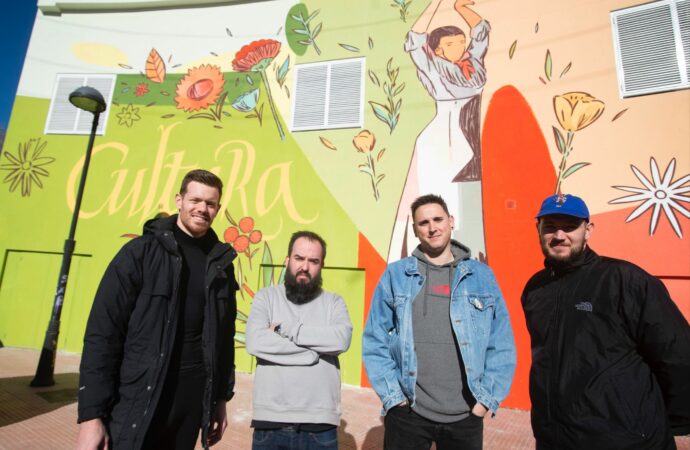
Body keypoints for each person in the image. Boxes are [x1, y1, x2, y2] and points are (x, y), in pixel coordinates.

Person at [76, 169, 239, 450]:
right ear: (179, 200)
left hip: (190, 404)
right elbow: (103, 335)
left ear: (218, 209)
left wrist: (221, 400)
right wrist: (91, 416)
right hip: (140, 396)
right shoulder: (139, 253)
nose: (202, 208)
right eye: (195, 200)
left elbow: (224, 340)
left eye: (210, 203)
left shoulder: (221, 264)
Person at [522, 193, 690, 449]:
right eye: (550, 226)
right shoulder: (535, 289)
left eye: (569, 227)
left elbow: (676, 353)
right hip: (555, 439)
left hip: (625, 440)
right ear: (538, 229)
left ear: (588, 230)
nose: (559, 235)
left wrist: (675, 423)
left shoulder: (625, 280)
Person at [364, 194, 516, 449]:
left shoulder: (481, 276)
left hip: (466, 414)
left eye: (438, 219)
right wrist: (394, 398)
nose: (432, 227)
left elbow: (500, 341)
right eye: (423, 223)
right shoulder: (396, 275)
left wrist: (485, 401)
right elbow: (374, 338)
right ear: (415, 230)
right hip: (409, 413)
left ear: (451, 221)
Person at [390, 0, 490, 262]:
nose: (459, 46)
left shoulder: (473, 66)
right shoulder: (433, 67)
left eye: (460, 42)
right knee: (441, 200)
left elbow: (480, 32)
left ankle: (467, 261)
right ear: (437, 50)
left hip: (468, 137)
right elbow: (414, 38)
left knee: (465, 205)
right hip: (443, 141)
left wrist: (460, 7)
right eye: (450, 44)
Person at [246, 231, 353, 450]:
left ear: (322, 265)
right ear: (287, 260)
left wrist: (286, 329)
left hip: (320, 426)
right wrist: (313, 351)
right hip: (270, 422)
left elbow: (341, 340)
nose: (305, 267)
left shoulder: (334, 302)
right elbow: (255, 341)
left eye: (313, 261)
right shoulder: (266, 297)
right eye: (299, 258)